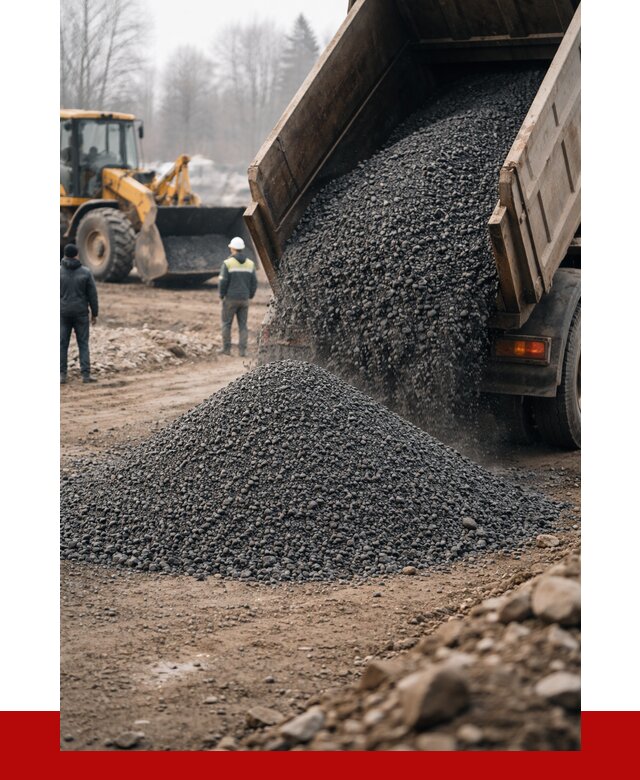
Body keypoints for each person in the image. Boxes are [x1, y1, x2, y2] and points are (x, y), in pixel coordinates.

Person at [60, 244, 99, 384]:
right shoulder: (86, 272)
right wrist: (95, 313)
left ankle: (62, 375)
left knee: (62, 344)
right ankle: (86, 375)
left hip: (63, 313)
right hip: (81, 313)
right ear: (77, 255)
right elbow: (92, 295)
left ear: (64, 255)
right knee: (83, 343)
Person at [218, 237, 257, 357]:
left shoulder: (228, 263)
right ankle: (242, 351)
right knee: (243, 326)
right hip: (244, 299)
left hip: (230, 298)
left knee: (226, 324)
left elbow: (223, 281)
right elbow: (254, 282)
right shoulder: (250, 264)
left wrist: (221, 295)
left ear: (233, 248)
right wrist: (250, 295)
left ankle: (226, 349)